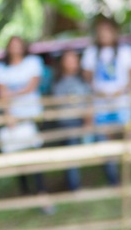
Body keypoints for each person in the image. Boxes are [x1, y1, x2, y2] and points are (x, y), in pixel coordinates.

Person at [82, 15, 131, 186]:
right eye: (101, 31)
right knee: (105, 139)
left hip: (122, 102)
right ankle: (113, 177)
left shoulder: (125, 51)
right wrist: (99, 91)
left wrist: (121, 91)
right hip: (101, 104)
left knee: (128, 137)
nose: (104, 34)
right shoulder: (91, 53)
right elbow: (87, 76)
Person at [0, 36, 48, 200]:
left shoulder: (33, 62)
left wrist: (11, 93)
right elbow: (2, 93)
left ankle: (41, 190)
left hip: (32, 114)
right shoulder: (0, 68)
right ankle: (25, 191)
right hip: (14, 118)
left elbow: (31, 87)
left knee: (35, 155)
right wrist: (8, 113)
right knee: (19, 155)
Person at [50, 50, 92, 192]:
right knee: (71, 143)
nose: (71, 63)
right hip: (67, 122)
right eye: (68, 59)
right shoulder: (57, 83)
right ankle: (75, 187)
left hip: (84, 120)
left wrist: (87, 121)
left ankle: (114, 181)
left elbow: (89, 102)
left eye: (73, 59)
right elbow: (60, 107)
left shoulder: (84, 80)